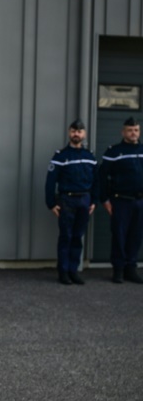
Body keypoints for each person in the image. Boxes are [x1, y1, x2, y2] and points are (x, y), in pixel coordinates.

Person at [44, 119, 97, 285]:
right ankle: (64, 272)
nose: (76, 134)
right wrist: (51, 203)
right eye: (74, 131)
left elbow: (96, 181)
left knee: (77, 237)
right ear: (69, 133)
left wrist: (93, 200)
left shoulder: (90, 156)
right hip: (67, 200)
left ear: (84, 134)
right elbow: (50, 181)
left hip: (84, 200)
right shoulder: (61, 156)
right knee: (66, 236)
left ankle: (74, 271)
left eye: (80, 131)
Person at [98, 116, 143, 284]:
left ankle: (131, 268)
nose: (133, 133)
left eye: (136, 130)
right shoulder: (114, 152)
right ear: (123, 132)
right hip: (120, 201)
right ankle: (118, 270)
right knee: (119, 236)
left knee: (136, 236)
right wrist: (105, 200)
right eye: (130, 130)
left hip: (140, 201)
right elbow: (102, 178)